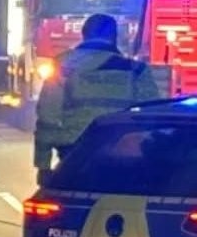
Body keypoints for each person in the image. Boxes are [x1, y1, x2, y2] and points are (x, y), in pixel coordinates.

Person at [34, 13, 161, 184]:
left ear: (84, 35)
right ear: (115, 37)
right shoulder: (136, 70)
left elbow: (47, 117)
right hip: (122, 155)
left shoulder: (62, 66)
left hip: (74, 154)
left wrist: (43, 165)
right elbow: (152, 117)